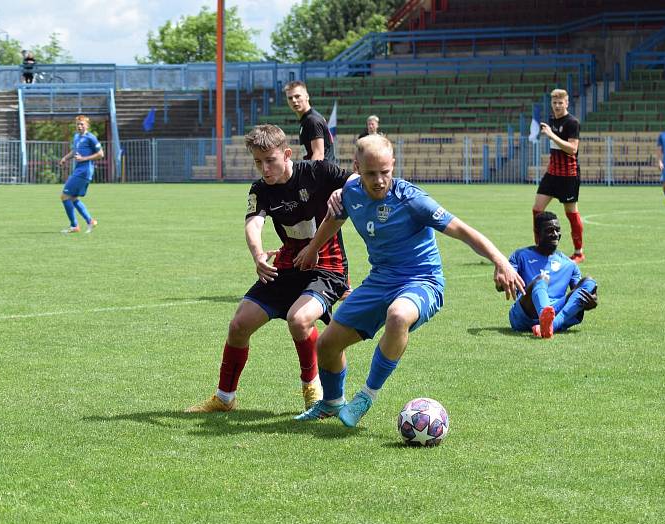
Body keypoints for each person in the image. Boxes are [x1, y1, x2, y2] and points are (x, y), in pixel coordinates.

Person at [292, 135, 525, 428]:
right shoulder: (350, 192)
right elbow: (334, 220)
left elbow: (462, 230)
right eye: (370, 173)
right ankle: (331, 403)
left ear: (393, 166)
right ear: (357, 168)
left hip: (422, 281)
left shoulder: (412, 199)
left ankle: (366, 396)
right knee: (326, 346)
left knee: (398, 315)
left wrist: (501, 262)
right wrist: (313, 248)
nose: (378, 180)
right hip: (380, 281)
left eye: (385, 172)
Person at [186, 124, 353, 414]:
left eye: (270, 160)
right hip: (289, 264)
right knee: (239, 325)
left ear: (287, 154)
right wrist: (258, 254)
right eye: (258, 162)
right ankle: (224, 398)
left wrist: (344, 191)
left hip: (327, 266)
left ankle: (313, 392)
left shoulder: (318, 172)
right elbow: (254, 222)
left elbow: (356, 180)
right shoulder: (261, 189)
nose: (264, 169)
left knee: (299, 320)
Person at [507, 211, 598, 339]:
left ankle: (549, 325)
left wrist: (590, 300)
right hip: (524, 313)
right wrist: (502, 281)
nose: (555, 234)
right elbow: (503, 282)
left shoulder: (569, 264)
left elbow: (577, 294)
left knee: (589, 282)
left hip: (556, 310)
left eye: (557, 230)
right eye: (550, 230)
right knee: (541, 279)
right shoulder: (521, 255)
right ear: (538, 233)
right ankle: (550, 322)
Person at [533, 88, 585, 263]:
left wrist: (551, 135)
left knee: (571, 212)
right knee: (537, 209)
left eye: (560, 103)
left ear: (567, 103)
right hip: (552, 173)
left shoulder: (572, 123)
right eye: (554, 103)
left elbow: (572, 149)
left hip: (568, 175)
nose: (557, 106)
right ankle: (539, 245)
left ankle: (579, 252)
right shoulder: (551, 121)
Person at [58, 115, 103, 233]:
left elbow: (100, 154)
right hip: (79, 170)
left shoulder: (91, 138)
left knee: (64, 196)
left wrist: (84, 158)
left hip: (84, 171)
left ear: (87, 125)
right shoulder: (76, 137)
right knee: (72, 198)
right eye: (77, 124)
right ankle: (90, 221)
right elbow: (74, 151)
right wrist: (65, 158)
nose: (79, 126)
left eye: (82, 124)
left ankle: (74, 226)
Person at [284, 80, 337, 164]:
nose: (294, 100)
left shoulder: (313, 120)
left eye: (297, 96)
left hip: (324, 175)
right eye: (290, 98)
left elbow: (318, 155)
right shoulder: (306, 120)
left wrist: (308, 175)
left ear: (307, 96)